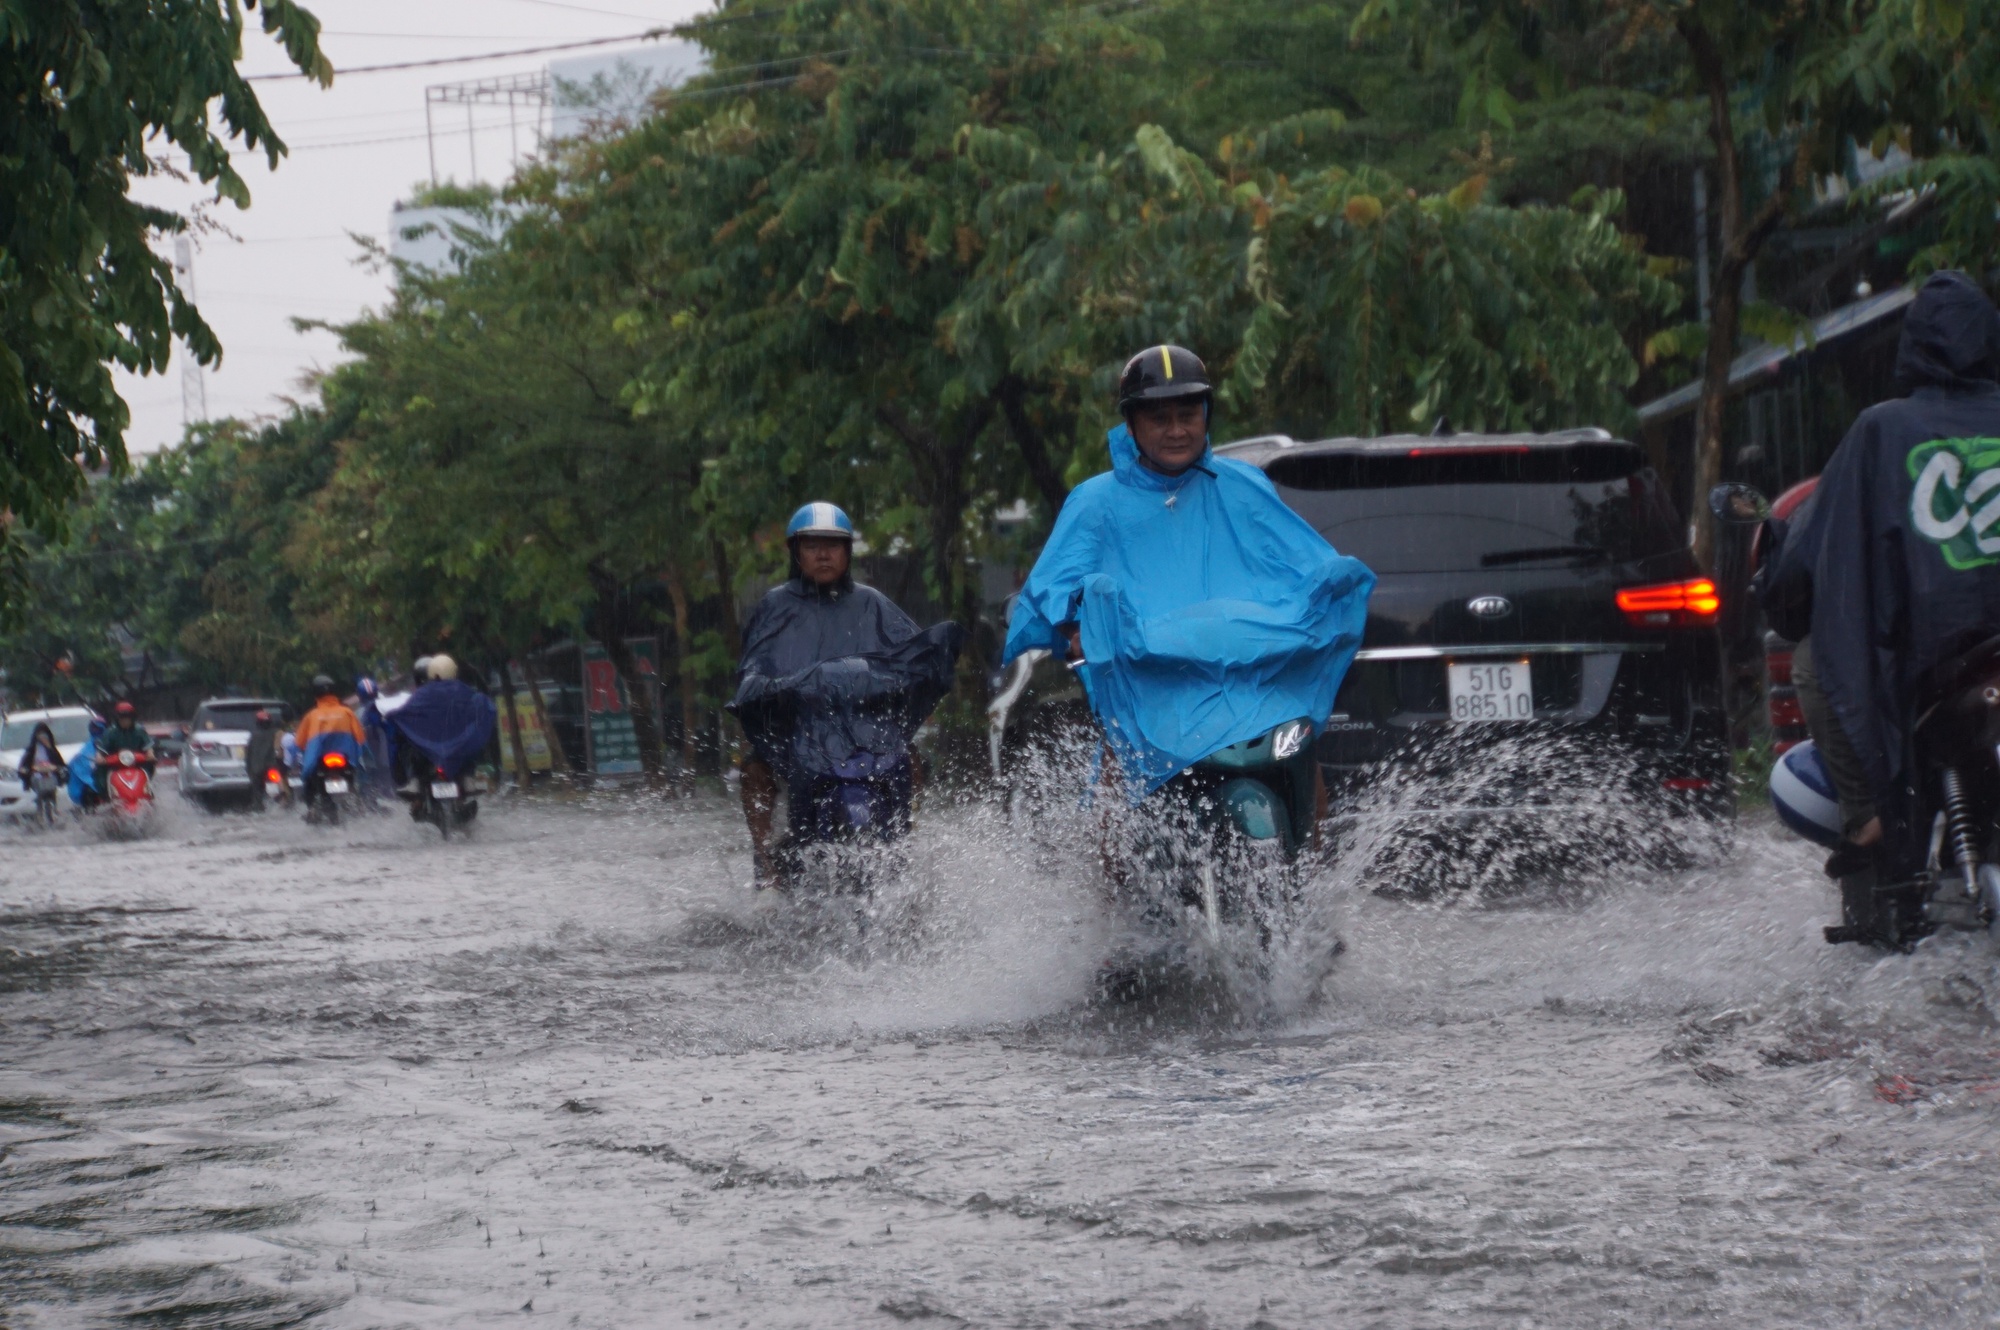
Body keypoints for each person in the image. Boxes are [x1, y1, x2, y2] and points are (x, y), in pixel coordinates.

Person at [1003, 344, 1374, 806]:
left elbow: (1307, 566)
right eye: (1160, 419)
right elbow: (1058, 586)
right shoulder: (1094, 502)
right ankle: (1119, 878)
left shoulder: (1244, 485)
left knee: (1302, 756)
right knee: (1119, 775)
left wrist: (1330, 590)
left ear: (1206, 414)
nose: (1177, 430)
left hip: (1252, 681)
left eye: (1188, 414)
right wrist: (1077, 627)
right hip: (1151, 684)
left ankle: (1315, 875)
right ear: (1132, 424)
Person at [1791, 271, 2000, 878]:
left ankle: (1870, 821)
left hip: (1935, 657)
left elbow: (1812, 548)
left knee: (1811, 660)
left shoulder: (1880, 430)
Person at [728, 502, 963, 885]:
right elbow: (752, 674)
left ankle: (902, 845)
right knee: (754, 770)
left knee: (913, 758)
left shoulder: (872, 603)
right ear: (796, 552)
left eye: (833, 545)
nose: (823, 554)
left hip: (866, 733)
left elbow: (912, 656)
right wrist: (786, 687)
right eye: (812, 545)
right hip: (799, 734)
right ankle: (765, 864)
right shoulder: (775, 607)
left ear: (848, 552)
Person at [385, 653, 497, 804]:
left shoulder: (423, 693)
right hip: (456, 748)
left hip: (428, 749)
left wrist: (393, 716)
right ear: (454, 671)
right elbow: (479, 705)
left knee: (413, 750)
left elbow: (407, 713)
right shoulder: (463, 690)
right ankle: (468, 779)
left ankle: (415, 781)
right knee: (467, 750)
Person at [294, 675, 367, 790]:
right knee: (356, 780)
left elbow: (299, 742)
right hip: (346, 759)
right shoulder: (347, 712)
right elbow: (360, 738)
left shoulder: (311, 716)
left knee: (308, 784)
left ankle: (311, 807)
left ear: (315, 694)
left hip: (319, 762)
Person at [92, 700, 155, 797]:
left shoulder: (140, 731)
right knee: (99, 773)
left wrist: (150, 755)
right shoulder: (110, 732)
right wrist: (100, 758)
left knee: (151, 765)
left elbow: (148, 747)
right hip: (114, 767)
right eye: (122, 717)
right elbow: (101, 750)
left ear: (132, 718)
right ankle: (105, 796)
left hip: (137, 764)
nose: (125, 720)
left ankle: (147, 790)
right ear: (117, 718)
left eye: (128, 717)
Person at [15, 721, 69, 802]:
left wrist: (49, 747)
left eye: (44, 735)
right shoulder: (32, 749)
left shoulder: (52, 749)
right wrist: (27, 770)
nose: (42, 737)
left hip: (51, 775)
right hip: (36, 775)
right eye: (40, 735)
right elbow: (24, 764)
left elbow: (60, 763)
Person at [246, 708, 283, 808]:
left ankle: (258, 806)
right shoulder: (277, 733)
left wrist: (249, 771)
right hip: (273, 767)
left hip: (258, 769)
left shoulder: (254, 736)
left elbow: (248, 756)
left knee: (257, 792)